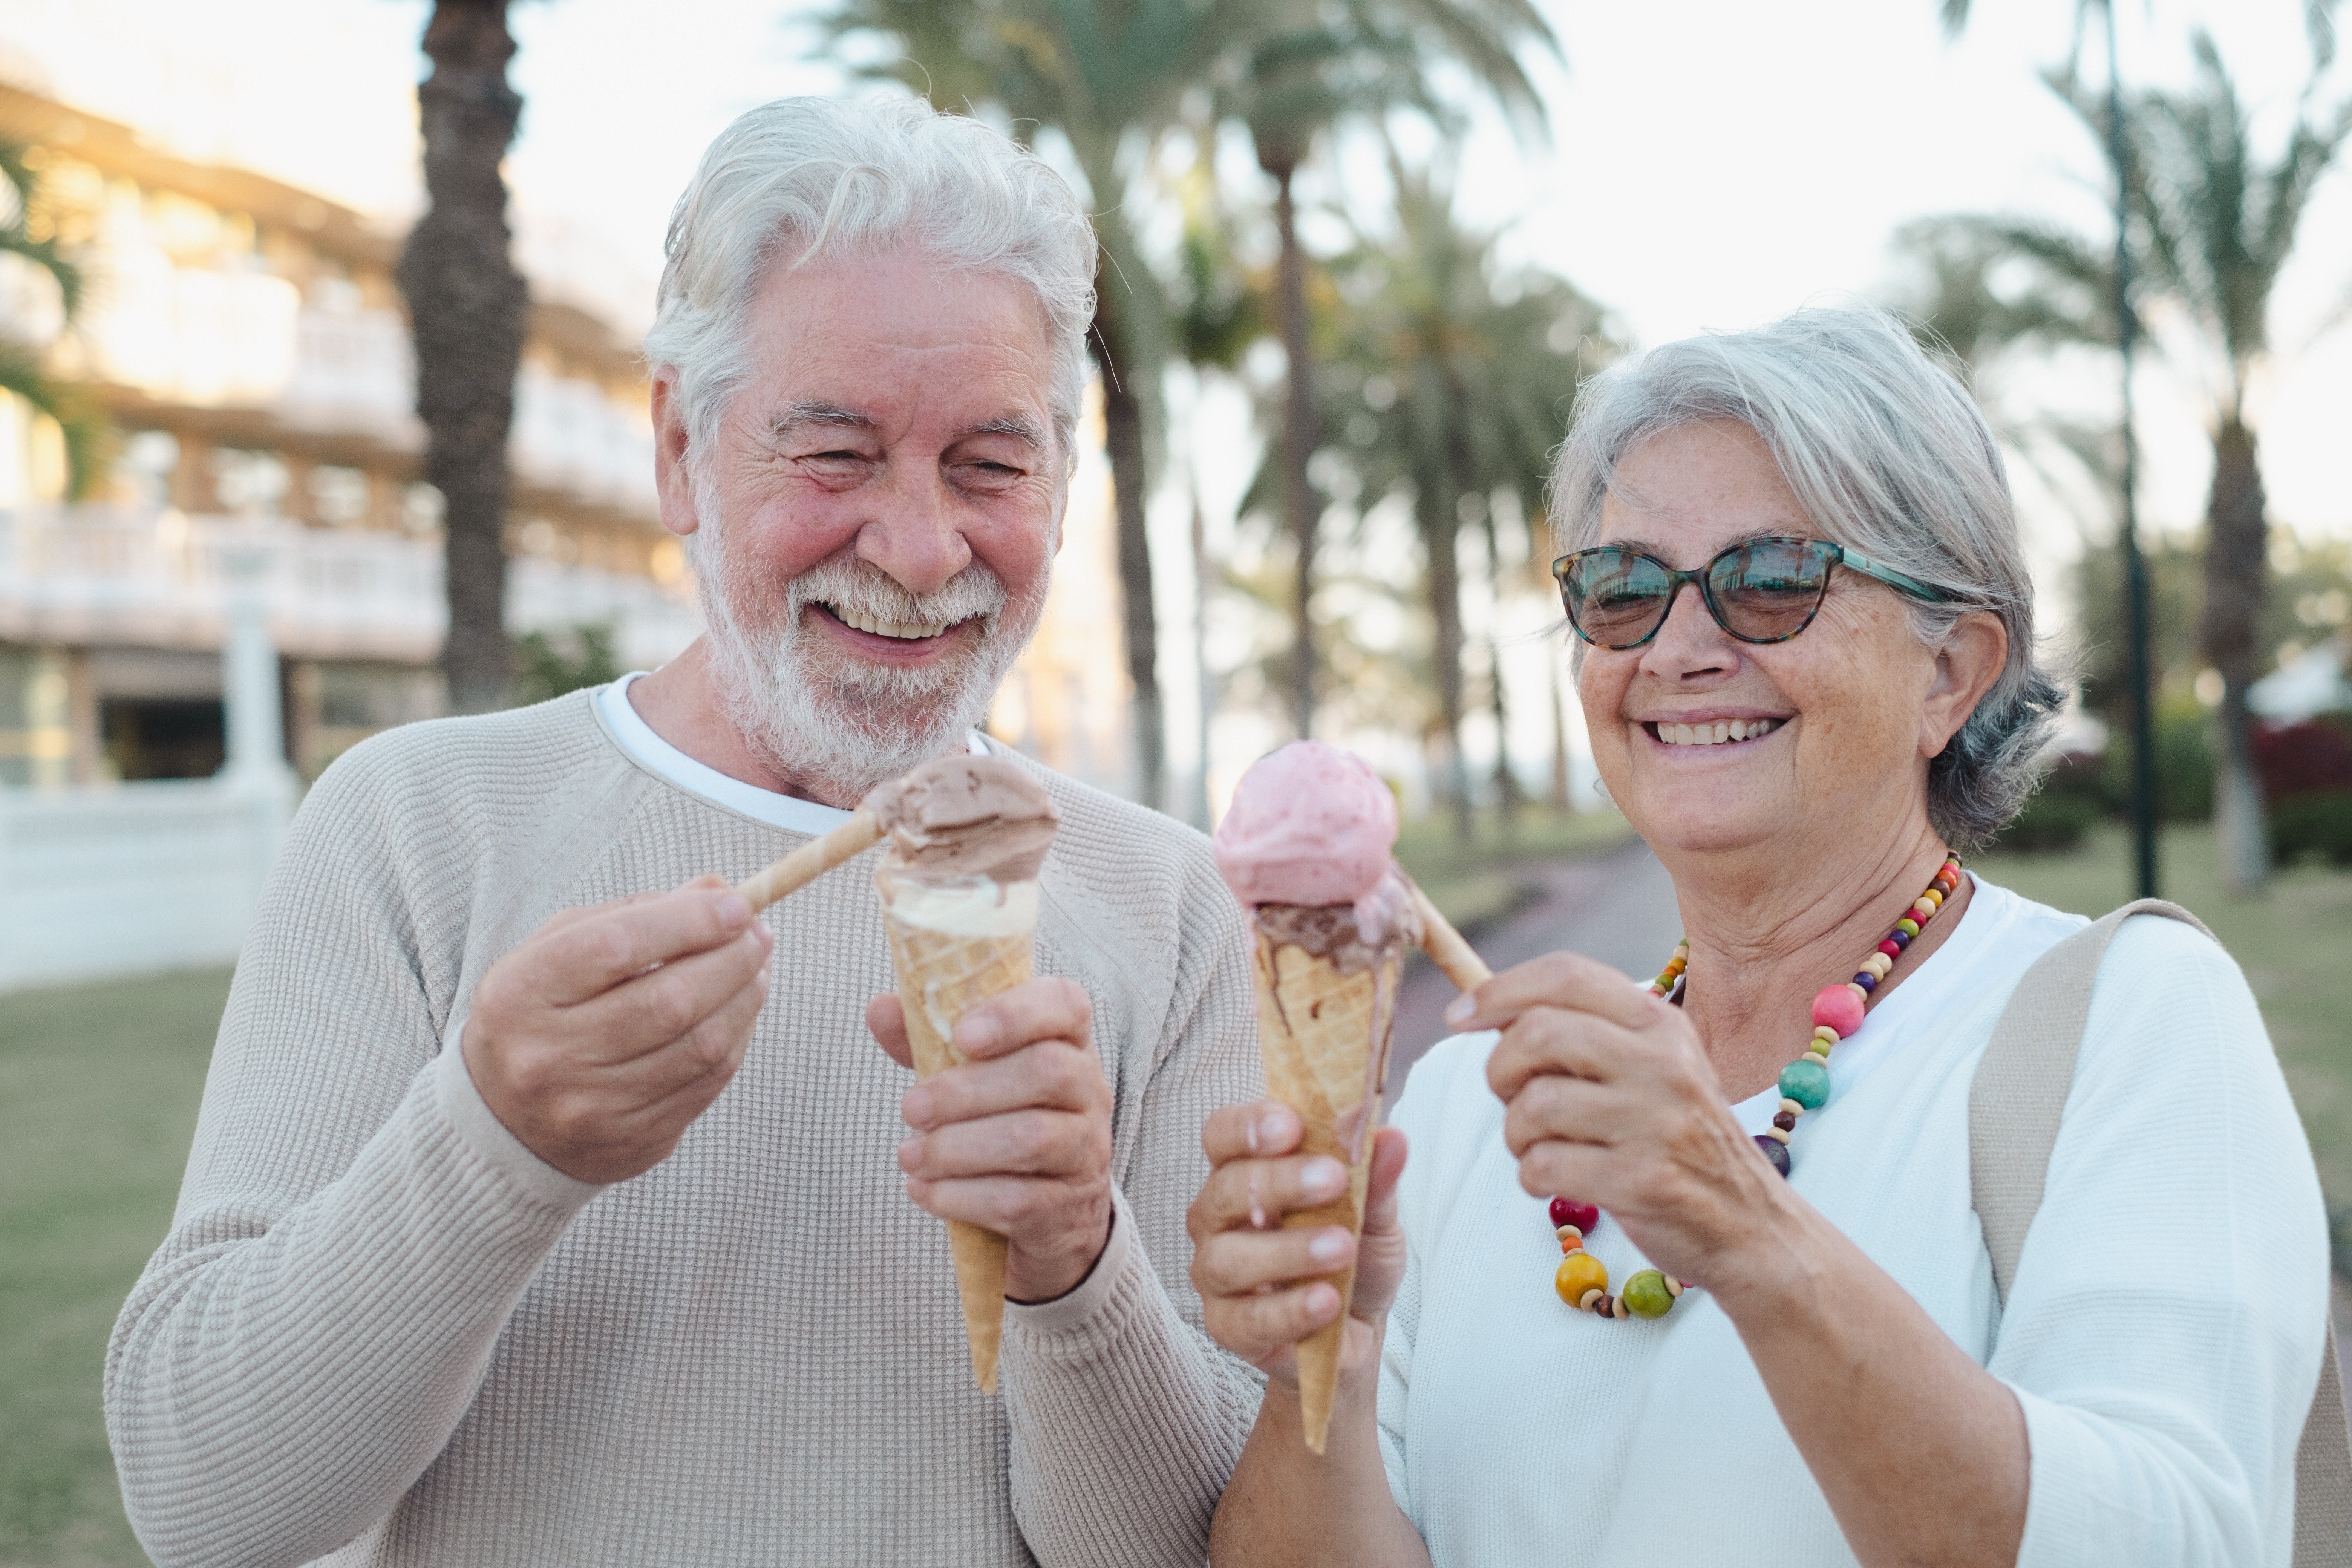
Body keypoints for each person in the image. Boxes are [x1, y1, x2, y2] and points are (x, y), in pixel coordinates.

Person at [106, 96, 1261, 1568]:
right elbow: (206, 1504)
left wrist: (1074, 1266)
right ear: (678, 449)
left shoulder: (1172, 906)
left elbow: (1187, 1543)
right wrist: (492, 1141)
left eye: (990, 464)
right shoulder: (418, 826)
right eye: (834, 454)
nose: (920, 548)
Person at [1189, 308, 2330, 1565]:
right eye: (1623, 592)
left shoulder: (2126, 1022)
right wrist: (1329, 1380)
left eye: (1772, 579)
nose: (1678, 650)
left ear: (1950, 672)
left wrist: (1739, 1224)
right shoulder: (1472, 1102)